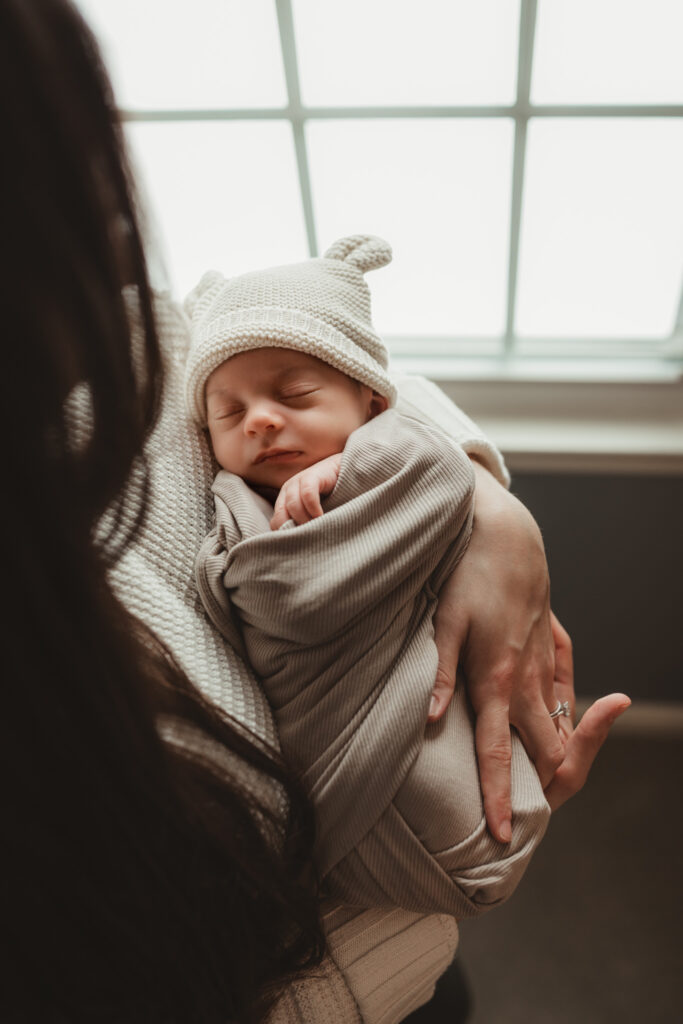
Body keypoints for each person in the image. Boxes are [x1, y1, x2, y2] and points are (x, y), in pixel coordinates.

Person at [1, 1, 630, 1020]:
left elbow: (276, 338)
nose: (117, 229)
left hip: (406, 935)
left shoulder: (113, 334)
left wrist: (472, 496)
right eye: (75, 196)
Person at [186, 234, 551, 917]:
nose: (261, 420)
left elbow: (431, 468)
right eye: (227, 414)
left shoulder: (396, 447)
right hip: (340, 784)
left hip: (417, 715)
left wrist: (362, 464)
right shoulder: (234, 508)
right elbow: (261, 595)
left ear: (372, 407)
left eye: (293, 393)